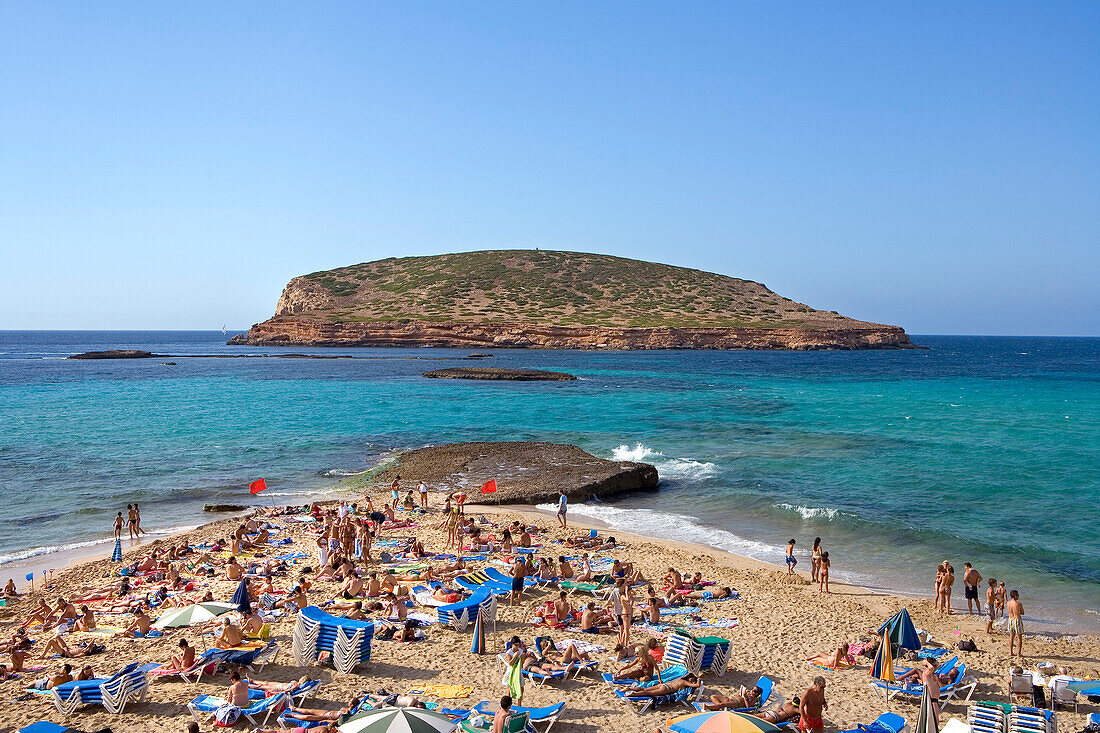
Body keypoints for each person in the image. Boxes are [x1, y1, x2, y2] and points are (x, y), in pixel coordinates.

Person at [621, 672, 701, 698]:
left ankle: (629, 688)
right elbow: (697, 685)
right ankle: (634, 694)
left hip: (663, 685)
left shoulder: (681, 679)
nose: (692, 681)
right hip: (666, 689)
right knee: (649, 693)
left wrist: (693, 675)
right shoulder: (685, 682)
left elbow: (688, 673)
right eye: (692, 679)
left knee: (644, 689)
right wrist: (698, 679)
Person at [1007, 589, 1024, 658]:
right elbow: (1022, 612)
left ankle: (1011, 652)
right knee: (1019, 637)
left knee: (1011, 636)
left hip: (1010, 619)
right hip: (1017, 620)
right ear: (1015, 596)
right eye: (1018, 595)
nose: (1018, 596)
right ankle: (1019, 653)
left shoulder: (1008, 603)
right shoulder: (1018, 604)